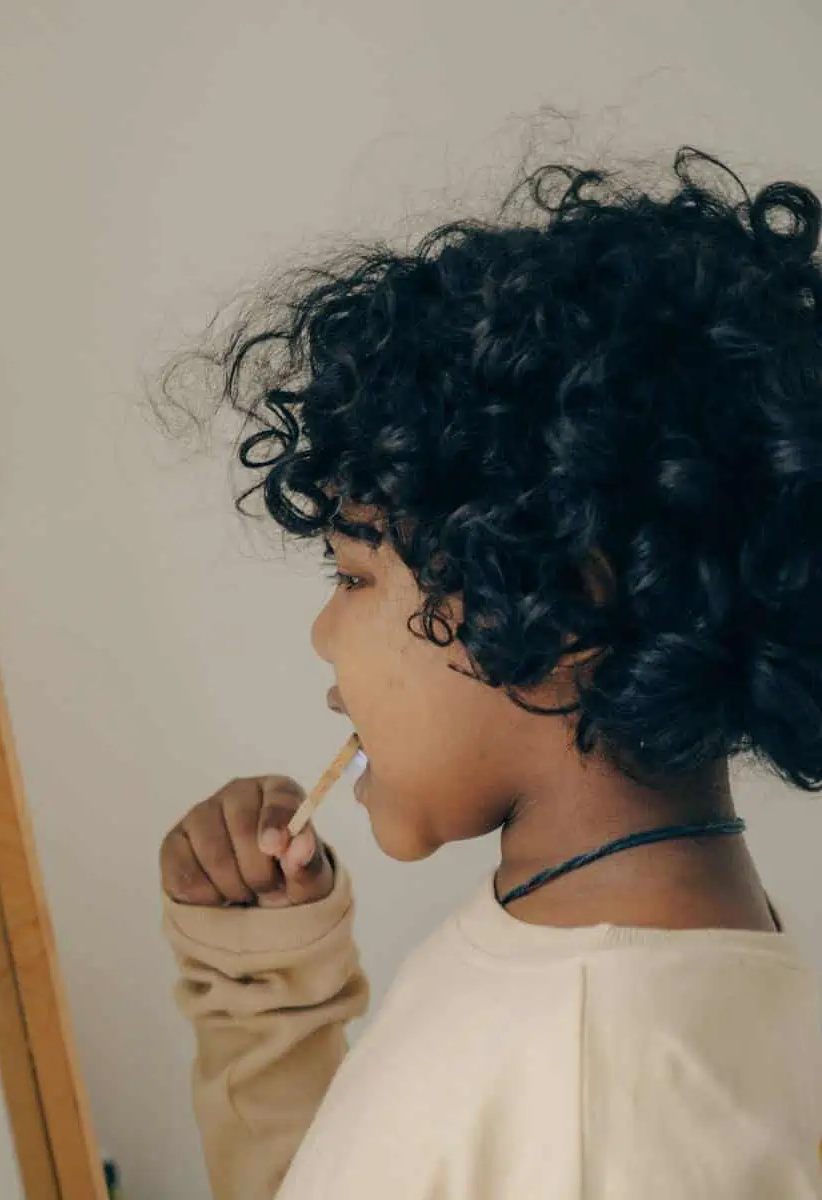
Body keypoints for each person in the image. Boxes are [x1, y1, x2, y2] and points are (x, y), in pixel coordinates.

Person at [155, 147, 822, 1199]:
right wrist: (262, 987)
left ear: (566, 603)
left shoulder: (611, 1117)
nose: (324, 637)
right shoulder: (588, 977)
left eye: (355, 574)